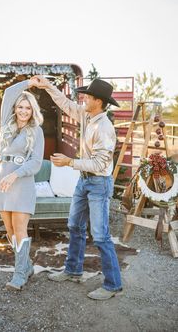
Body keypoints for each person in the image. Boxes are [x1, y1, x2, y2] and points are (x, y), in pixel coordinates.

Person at [31, 75, 122, 300]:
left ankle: (113, 285)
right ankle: (73, 270)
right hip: (84, 181)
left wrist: (69, 162)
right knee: (75, 226)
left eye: (88, 96)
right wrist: (48, 85)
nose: (84, 99)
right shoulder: (87, 115)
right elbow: (65, 104)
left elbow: (101, 164)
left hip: (99, 183)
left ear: (99, 101)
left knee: (100, 236)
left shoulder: (105, 128)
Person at [0, 78, 44, 290]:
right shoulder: (6, 123)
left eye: (28, 108)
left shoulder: (36, 131)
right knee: (9, 231)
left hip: (21, 182)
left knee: (19, 229)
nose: (24, 111)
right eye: (20, 107)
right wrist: (28, 82)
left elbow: (35, 163)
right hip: (3, 182)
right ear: (15, 109)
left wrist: (14, 175)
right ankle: (27, 266)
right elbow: (8, 93)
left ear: (33, 110)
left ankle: (19, 275)